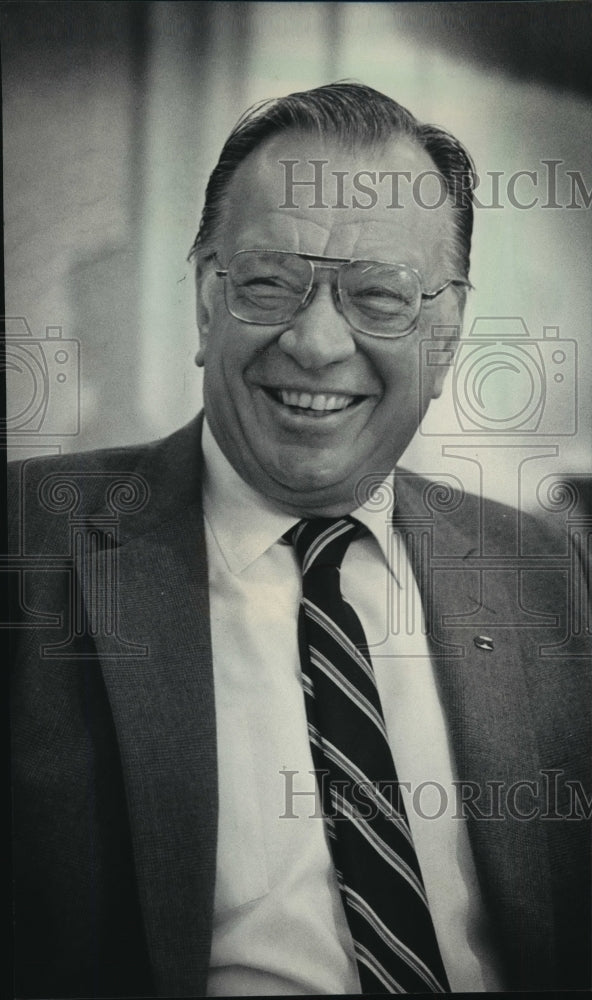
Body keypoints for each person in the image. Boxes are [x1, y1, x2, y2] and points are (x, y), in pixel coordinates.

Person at [9, 83, 590, 997]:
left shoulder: (546, 571)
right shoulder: (29, 541)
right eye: (271, 283)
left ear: (446, 333)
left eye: (379, 296)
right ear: (208, 302)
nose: (318, 342)